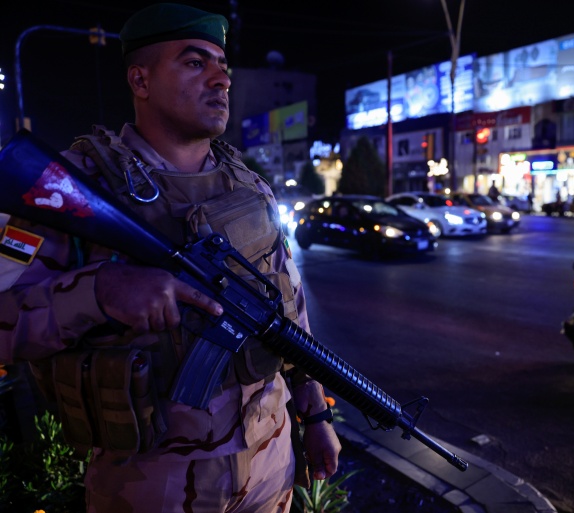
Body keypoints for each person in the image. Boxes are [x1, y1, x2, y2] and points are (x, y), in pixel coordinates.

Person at [0, 3, 340, 512]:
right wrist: (100, 293)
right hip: (151, 484)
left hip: (270, 467)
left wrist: (315, 417)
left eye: (223, 66)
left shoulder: (252, 189)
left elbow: (291, 315)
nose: (221, 79)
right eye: (195, 62)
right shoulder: (69, 189)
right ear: (140, 79)